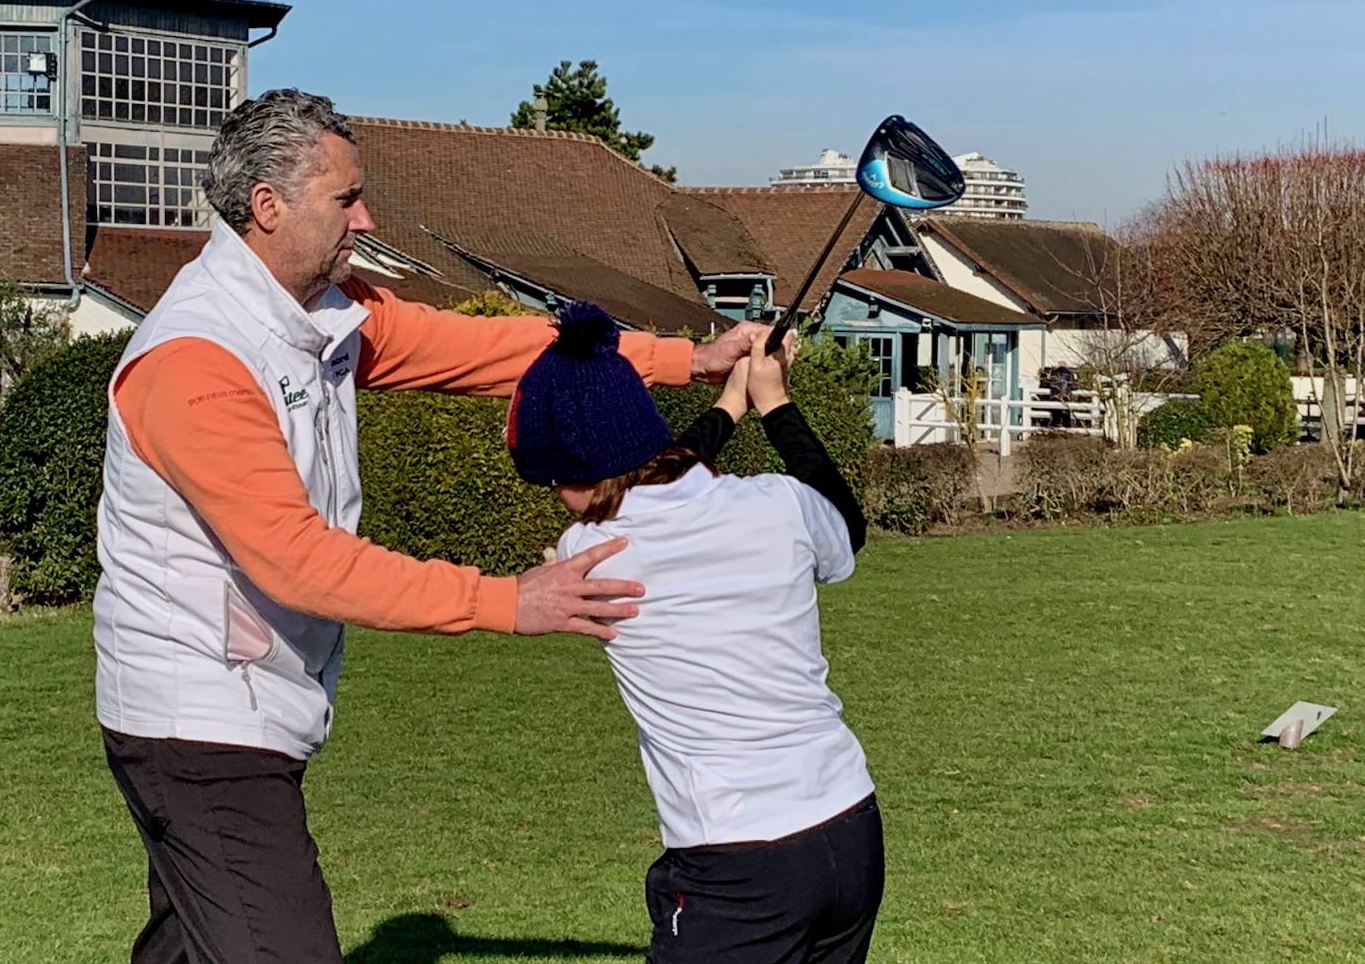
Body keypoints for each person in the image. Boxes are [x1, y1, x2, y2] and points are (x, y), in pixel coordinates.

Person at [93, 89, 762, 964]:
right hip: (200, 724)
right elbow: (301, 564)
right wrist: (506, 601)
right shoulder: (196, 362)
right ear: (268, 207)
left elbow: (485, 349)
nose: (365, 216)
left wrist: (683, 359)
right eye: (345, 199)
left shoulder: (325, 314)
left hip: (244, 703)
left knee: (192, 947)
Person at [507, 305, 881, 964]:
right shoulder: (777, 505)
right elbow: (843, 524)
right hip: (849, 828)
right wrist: (766, 401)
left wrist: (736, 403)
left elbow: (655, 474)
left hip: (738, 858)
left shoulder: (590, 549)